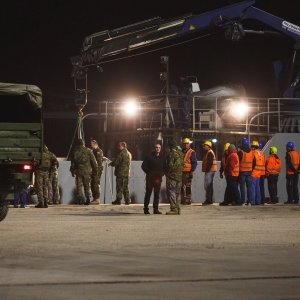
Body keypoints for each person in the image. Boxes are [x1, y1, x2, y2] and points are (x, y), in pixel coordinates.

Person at [70, 138, 98, 205]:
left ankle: (79, 199)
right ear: (83, 143)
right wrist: (96, 170)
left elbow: (73, 163)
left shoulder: (75, 151)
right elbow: (94, 161)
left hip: (78, 170)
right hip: (87, 170)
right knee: (87, 185)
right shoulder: (88, 150)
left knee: (79, 185)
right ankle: (88, 198)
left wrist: (72, 171)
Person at [141, 143, 164, 214]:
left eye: (159, 147)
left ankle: (155, 209)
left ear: (160, 149)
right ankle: (146, 209)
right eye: (156, 147)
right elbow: (143, 166)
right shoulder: (149, 156)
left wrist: (162, 173)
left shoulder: (162, 157)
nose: (158, 149)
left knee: (157, 194)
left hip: (158, 178)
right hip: (150, 178)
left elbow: (165, 166)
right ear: (154, 148)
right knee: (148, 193)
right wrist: (149, 173)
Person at [164, 139, 184, 215]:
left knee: (171, 191)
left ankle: (173, 209)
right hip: (180, 175)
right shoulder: (181, 153)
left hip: (172, 176)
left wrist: (167, 172)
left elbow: (170, 165)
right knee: (178, 193)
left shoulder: (171, 154)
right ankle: (178, 208)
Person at [181, 138, 197, 205]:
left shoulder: (192, 152)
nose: (185, 145)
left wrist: (191, 171)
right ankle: (182, 199)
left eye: (187, 143)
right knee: (181, 186)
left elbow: (194, 163)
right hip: (181, 171)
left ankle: (188, 200)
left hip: (188, 172)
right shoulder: (181, 151)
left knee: (187, 186)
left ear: (189, 144)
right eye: (184, 143)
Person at [238, 138, 253, 205]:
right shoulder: (251, 152)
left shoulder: (241, 152)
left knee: (242, 187)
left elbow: (237, 161)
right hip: (249, 172)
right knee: (249, 187)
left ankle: (242, 201)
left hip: (242, 172)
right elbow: (254, 162)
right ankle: (249, 201)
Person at [202, 140, 217, 205]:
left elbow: (210, 163)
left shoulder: (210, 153)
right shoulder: (209, 152)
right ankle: (209, 200)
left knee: (208, 186)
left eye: (205, 146)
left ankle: (208, 200)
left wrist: (207, 170)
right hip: (210, 171)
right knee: (209, 186)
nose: (204, 147)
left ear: (208, 146)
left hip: (210, 171)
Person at [250, 140, 265, 205]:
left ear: (253, 147)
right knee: (257, 188)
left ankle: (253, 201)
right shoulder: (261, 154)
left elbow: (253, 163)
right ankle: (258, 201)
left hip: (253, 173)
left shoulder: (253, 153)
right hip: (259, 173)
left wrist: (251, 171)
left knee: (252, 188)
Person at [90, 139, 104, 205]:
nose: (91, 145)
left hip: (97, 170)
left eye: (92, 144)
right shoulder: (93, 151)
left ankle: (97, 198)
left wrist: (96, 169)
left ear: (95, 144)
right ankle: (94, 198)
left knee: (96, 184)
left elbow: (98, 162)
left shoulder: (99, 151)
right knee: (93, 184)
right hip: (93, 170)